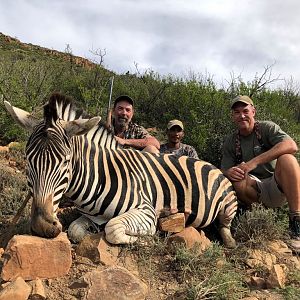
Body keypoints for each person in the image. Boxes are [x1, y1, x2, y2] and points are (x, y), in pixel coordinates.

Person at [221, 95, 300, 252]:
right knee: (236, 179)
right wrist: (230, 172)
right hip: (255, 190)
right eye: (237, 112)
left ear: (253, 111)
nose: (241, 115)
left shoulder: (266, 128)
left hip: (276, 185)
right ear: (233, 117)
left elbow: (291, 145)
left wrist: (253, 163)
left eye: (245, 111)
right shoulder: (231, 141)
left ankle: (296, 224)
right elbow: (223, 170)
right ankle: (257, 219)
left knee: (287, 159)